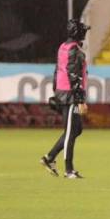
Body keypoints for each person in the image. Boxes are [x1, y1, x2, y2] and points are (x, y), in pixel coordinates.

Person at [40, 19, 90, 179]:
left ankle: (49, 158)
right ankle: (69, 169)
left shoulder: (62, 47)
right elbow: (74, 76)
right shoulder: (76, 51)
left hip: (63, 92)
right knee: (70, 131)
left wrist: (56, 91)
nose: (85, 33)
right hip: (70, 95)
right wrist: (80, 99)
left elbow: (57, 71)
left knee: (76, 129)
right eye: (83, 31)